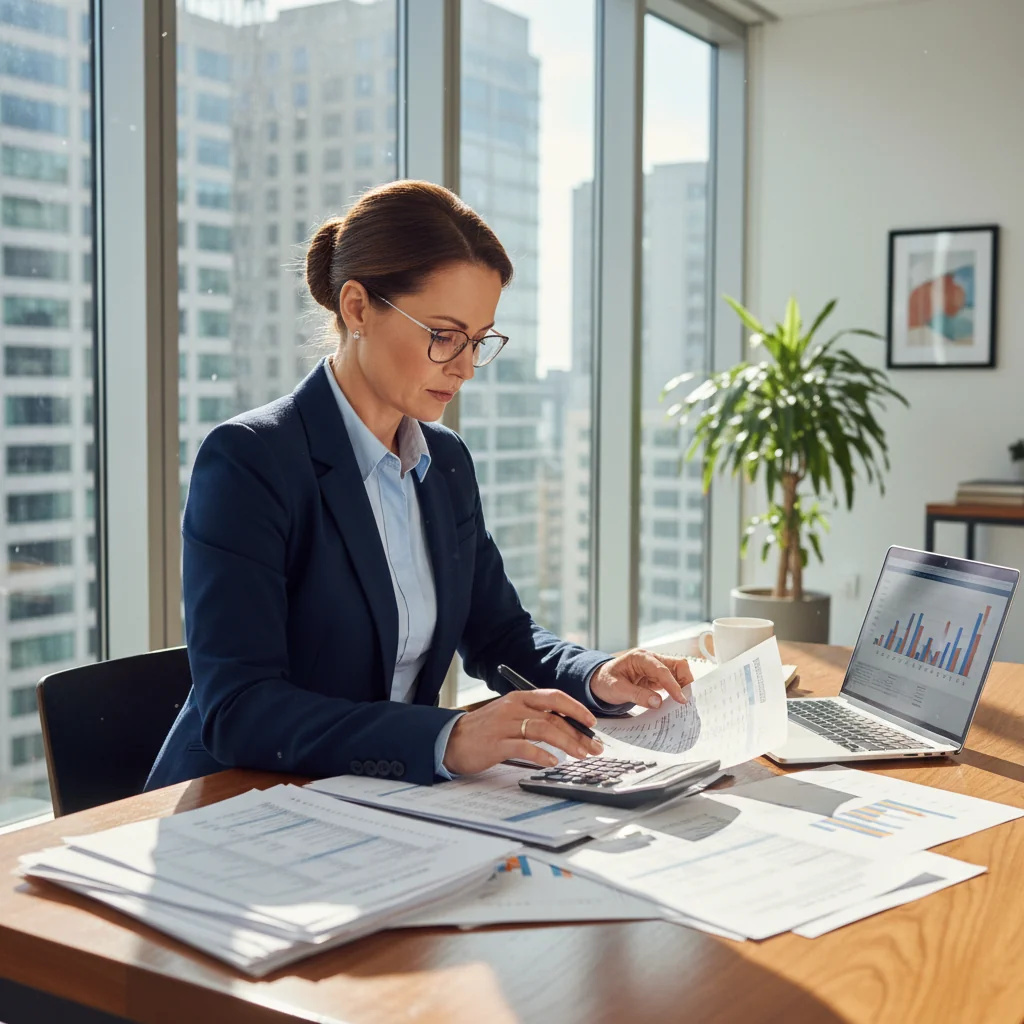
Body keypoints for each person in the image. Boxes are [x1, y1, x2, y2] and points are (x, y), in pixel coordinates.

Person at [145, 180, 692, 791]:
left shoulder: (445, 462)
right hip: (247, 801)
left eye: (478, 341)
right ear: (357, 309)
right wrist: (447, 738)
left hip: (388, 799)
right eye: (443, 334)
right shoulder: (251, 460)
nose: (463, 366)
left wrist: (597, 674)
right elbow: (239, 709)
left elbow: (499, 634)